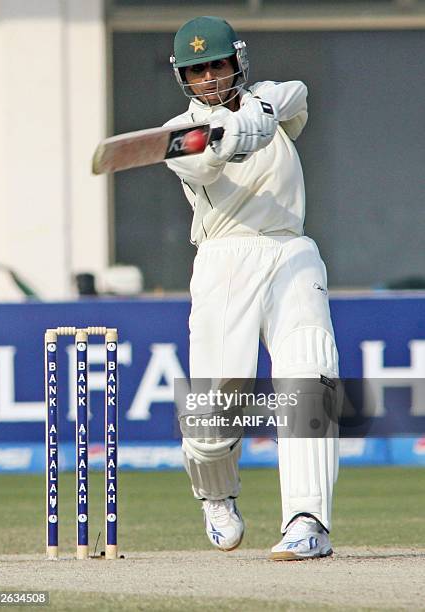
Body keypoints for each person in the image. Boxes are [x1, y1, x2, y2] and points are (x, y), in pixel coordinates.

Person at [165, 16, 339, 561]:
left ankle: (308, 521)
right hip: (225, 258)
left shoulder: (266, 97)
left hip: (291, 247)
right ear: (184, 79)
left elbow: (296, 95)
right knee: (218, 404)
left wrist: (257, 113)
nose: (210, 78)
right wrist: (228, 139)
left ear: (236, 60)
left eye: (217, 64)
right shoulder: (179, 133)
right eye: (197, 71)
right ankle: (216, 496)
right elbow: (203, 162)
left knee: (309, 375)